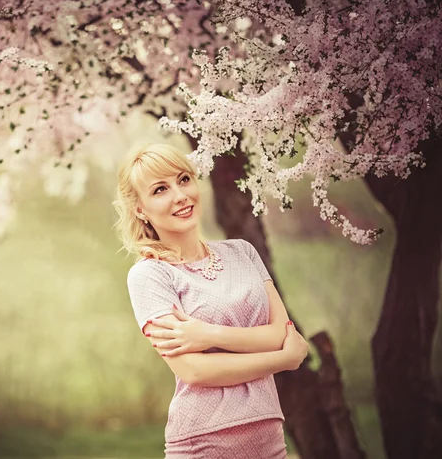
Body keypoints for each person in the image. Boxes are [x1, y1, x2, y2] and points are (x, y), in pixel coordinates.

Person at [112, 143, 309, 458]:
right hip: (203, 444)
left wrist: (207, 335)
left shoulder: (243, 252)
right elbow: (195, 371)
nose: (180, 196)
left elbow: (280, 334)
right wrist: (283, 360)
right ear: (139, 208)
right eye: (160, 189)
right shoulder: (150, 276)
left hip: (270, 442)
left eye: (184, 179)